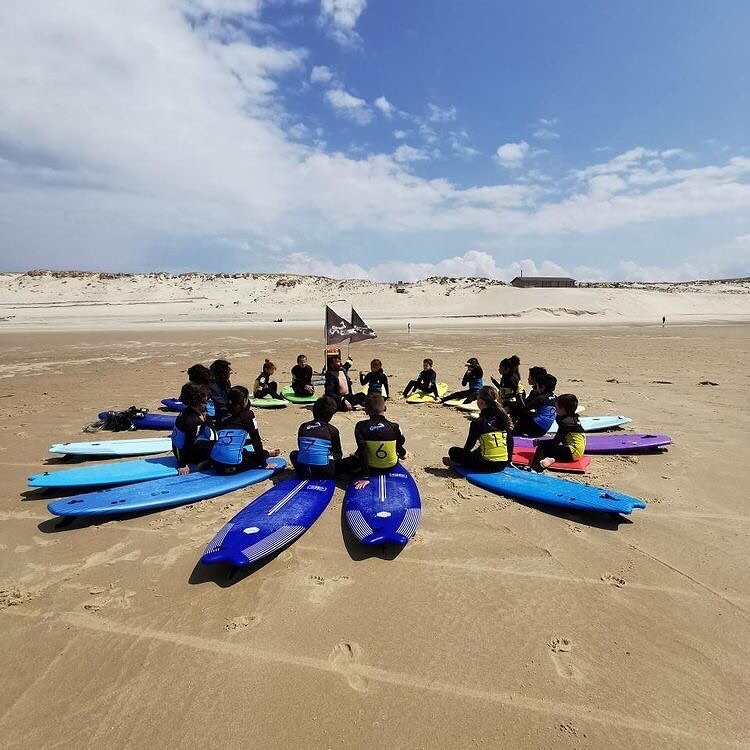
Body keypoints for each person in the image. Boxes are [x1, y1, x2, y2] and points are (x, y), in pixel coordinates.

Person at [341, 394, 407, 489]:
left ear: (366, 411)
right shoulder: (395, 426)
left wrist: (366, 477)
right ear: (385, 408)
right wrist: (402, 453)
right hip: (391, 465)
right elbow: (400, 442)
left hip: (371, 467)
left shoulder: (360, 426)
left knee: (341, 464)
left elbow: (362, 450)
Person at [209, 386, 280, 474]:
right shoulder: (248, 415)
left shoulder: (223, 417)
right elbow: (256, 440)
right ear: (244, 401)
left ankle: (267, 453)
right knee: (255, 457)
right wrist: (264, 464)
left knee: (244, 452)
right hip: (232, 466)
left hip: (216, 464)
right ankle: (267, 453)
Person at [443, 386, 514, 472]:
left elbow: (468, 447)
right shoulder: (503, 418)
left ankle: (460, 463)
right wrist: (509, 461)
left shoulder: (478, 422)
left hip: (487, 465)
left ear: (481, 402)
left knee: (453, 451)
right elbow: (510, 441)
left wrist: (459, 459)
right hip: (503, 464)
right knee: (482, 448)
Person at [289, 396, 343, 478]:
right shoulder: (332, 430)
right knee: (337, 459)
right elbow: (338, 454)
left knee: (294, 454)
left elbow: (301, 448)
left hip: (303, 470)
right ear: (331, 415)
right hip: (325, 472)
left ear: (314, 411)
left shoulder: (303, 426)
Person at [530, 393, 586, 471]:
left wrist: (540, 442)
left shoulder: (565, 422)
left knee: (542, 447)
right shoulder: (573, 417)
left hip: (571, 453)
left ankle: (535, 468)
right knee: (551, 448)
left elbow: (556, 441)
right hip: (578, 452)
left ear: (562, 409)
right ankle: (553, 459)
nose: (555, 410)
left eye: (556, 408)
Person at [171, 383, 216, 475]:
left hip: (178, 448)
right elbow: (188, 443)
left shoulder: (188, 411)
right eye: (205, 401)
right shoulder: (192, 421)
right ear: (198, 402)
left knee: (214, 440)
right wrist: (182, 464)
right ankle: (202, 462)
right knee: (217, 451)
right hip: (182, 453)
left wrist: (204, 416)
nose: (207, 403)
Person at [513, 372, 557, 437]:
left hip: (535, 430)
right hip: (544, 430)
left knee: (521, 412)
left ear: (542, 387)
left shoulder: (541, 398)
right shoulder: (555, 397)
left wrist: (523, 396)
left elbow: (524, 408)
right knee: (531, 414)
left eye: (537, 386)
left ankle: (516, 430)